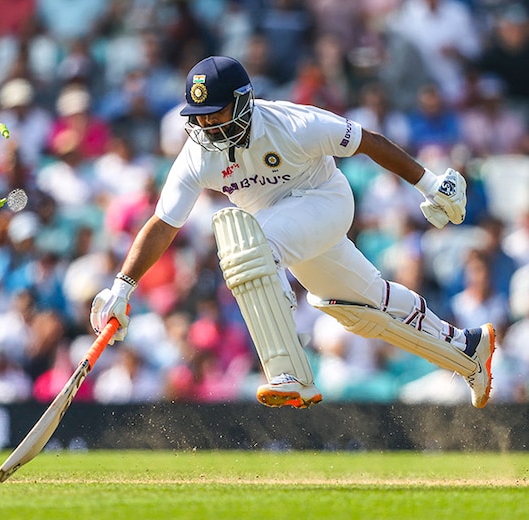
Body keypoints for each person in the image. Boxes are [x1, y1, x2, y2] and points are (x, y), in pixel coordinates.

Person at [89, 56, 496, 410]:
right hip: (284, 230)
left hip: (325, 202)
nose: (208, 125)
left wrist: (429, 184)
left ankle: (288, 372)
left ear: (244, 101)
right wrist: (122, 288)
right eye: (200, 116)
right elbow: (163, 222)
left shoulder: (293, 123)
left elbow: (367, 142)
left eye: (216, 112)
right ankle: (468, 350)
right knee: (360, 310)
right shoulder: (198, 155)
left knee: (246, 244)